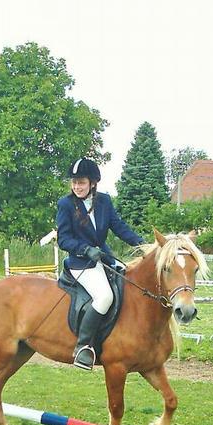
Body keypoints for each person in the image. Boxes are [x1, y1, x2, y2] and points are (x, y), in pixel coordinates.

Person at [56, 158, 144, 370]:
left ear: (92, 183)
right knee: (105, 297)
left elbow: (119, 227)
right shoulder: (65, 204)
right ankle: (83, 346)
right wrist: (85, 249)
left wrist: (143, 245)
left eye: (81, 182)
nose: (77, 187)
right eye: (74, 182)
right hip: (80, 263)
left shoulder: (104, 201)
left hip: (103, 259)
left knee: (128, 286)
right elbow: (64, 239)